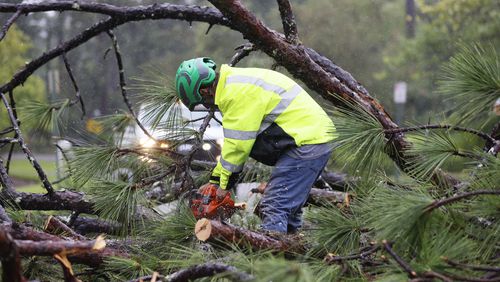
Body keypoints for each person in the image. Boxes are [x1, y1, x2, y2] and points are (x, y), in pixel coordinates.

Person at [175, 57, 337, 234]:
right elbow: (231, 145)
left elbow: (238, 147)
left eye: (202, 102)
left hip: (306, 142)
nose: (208, 107)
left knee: (274, 205)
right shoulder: (233, 84)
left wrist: (223, 189)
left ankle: (271, 257)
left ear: (205, 90)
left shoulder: (235, 94)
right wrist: (215, 181)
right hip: (308, 139)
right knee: (287, 210)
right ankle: (291, 252)